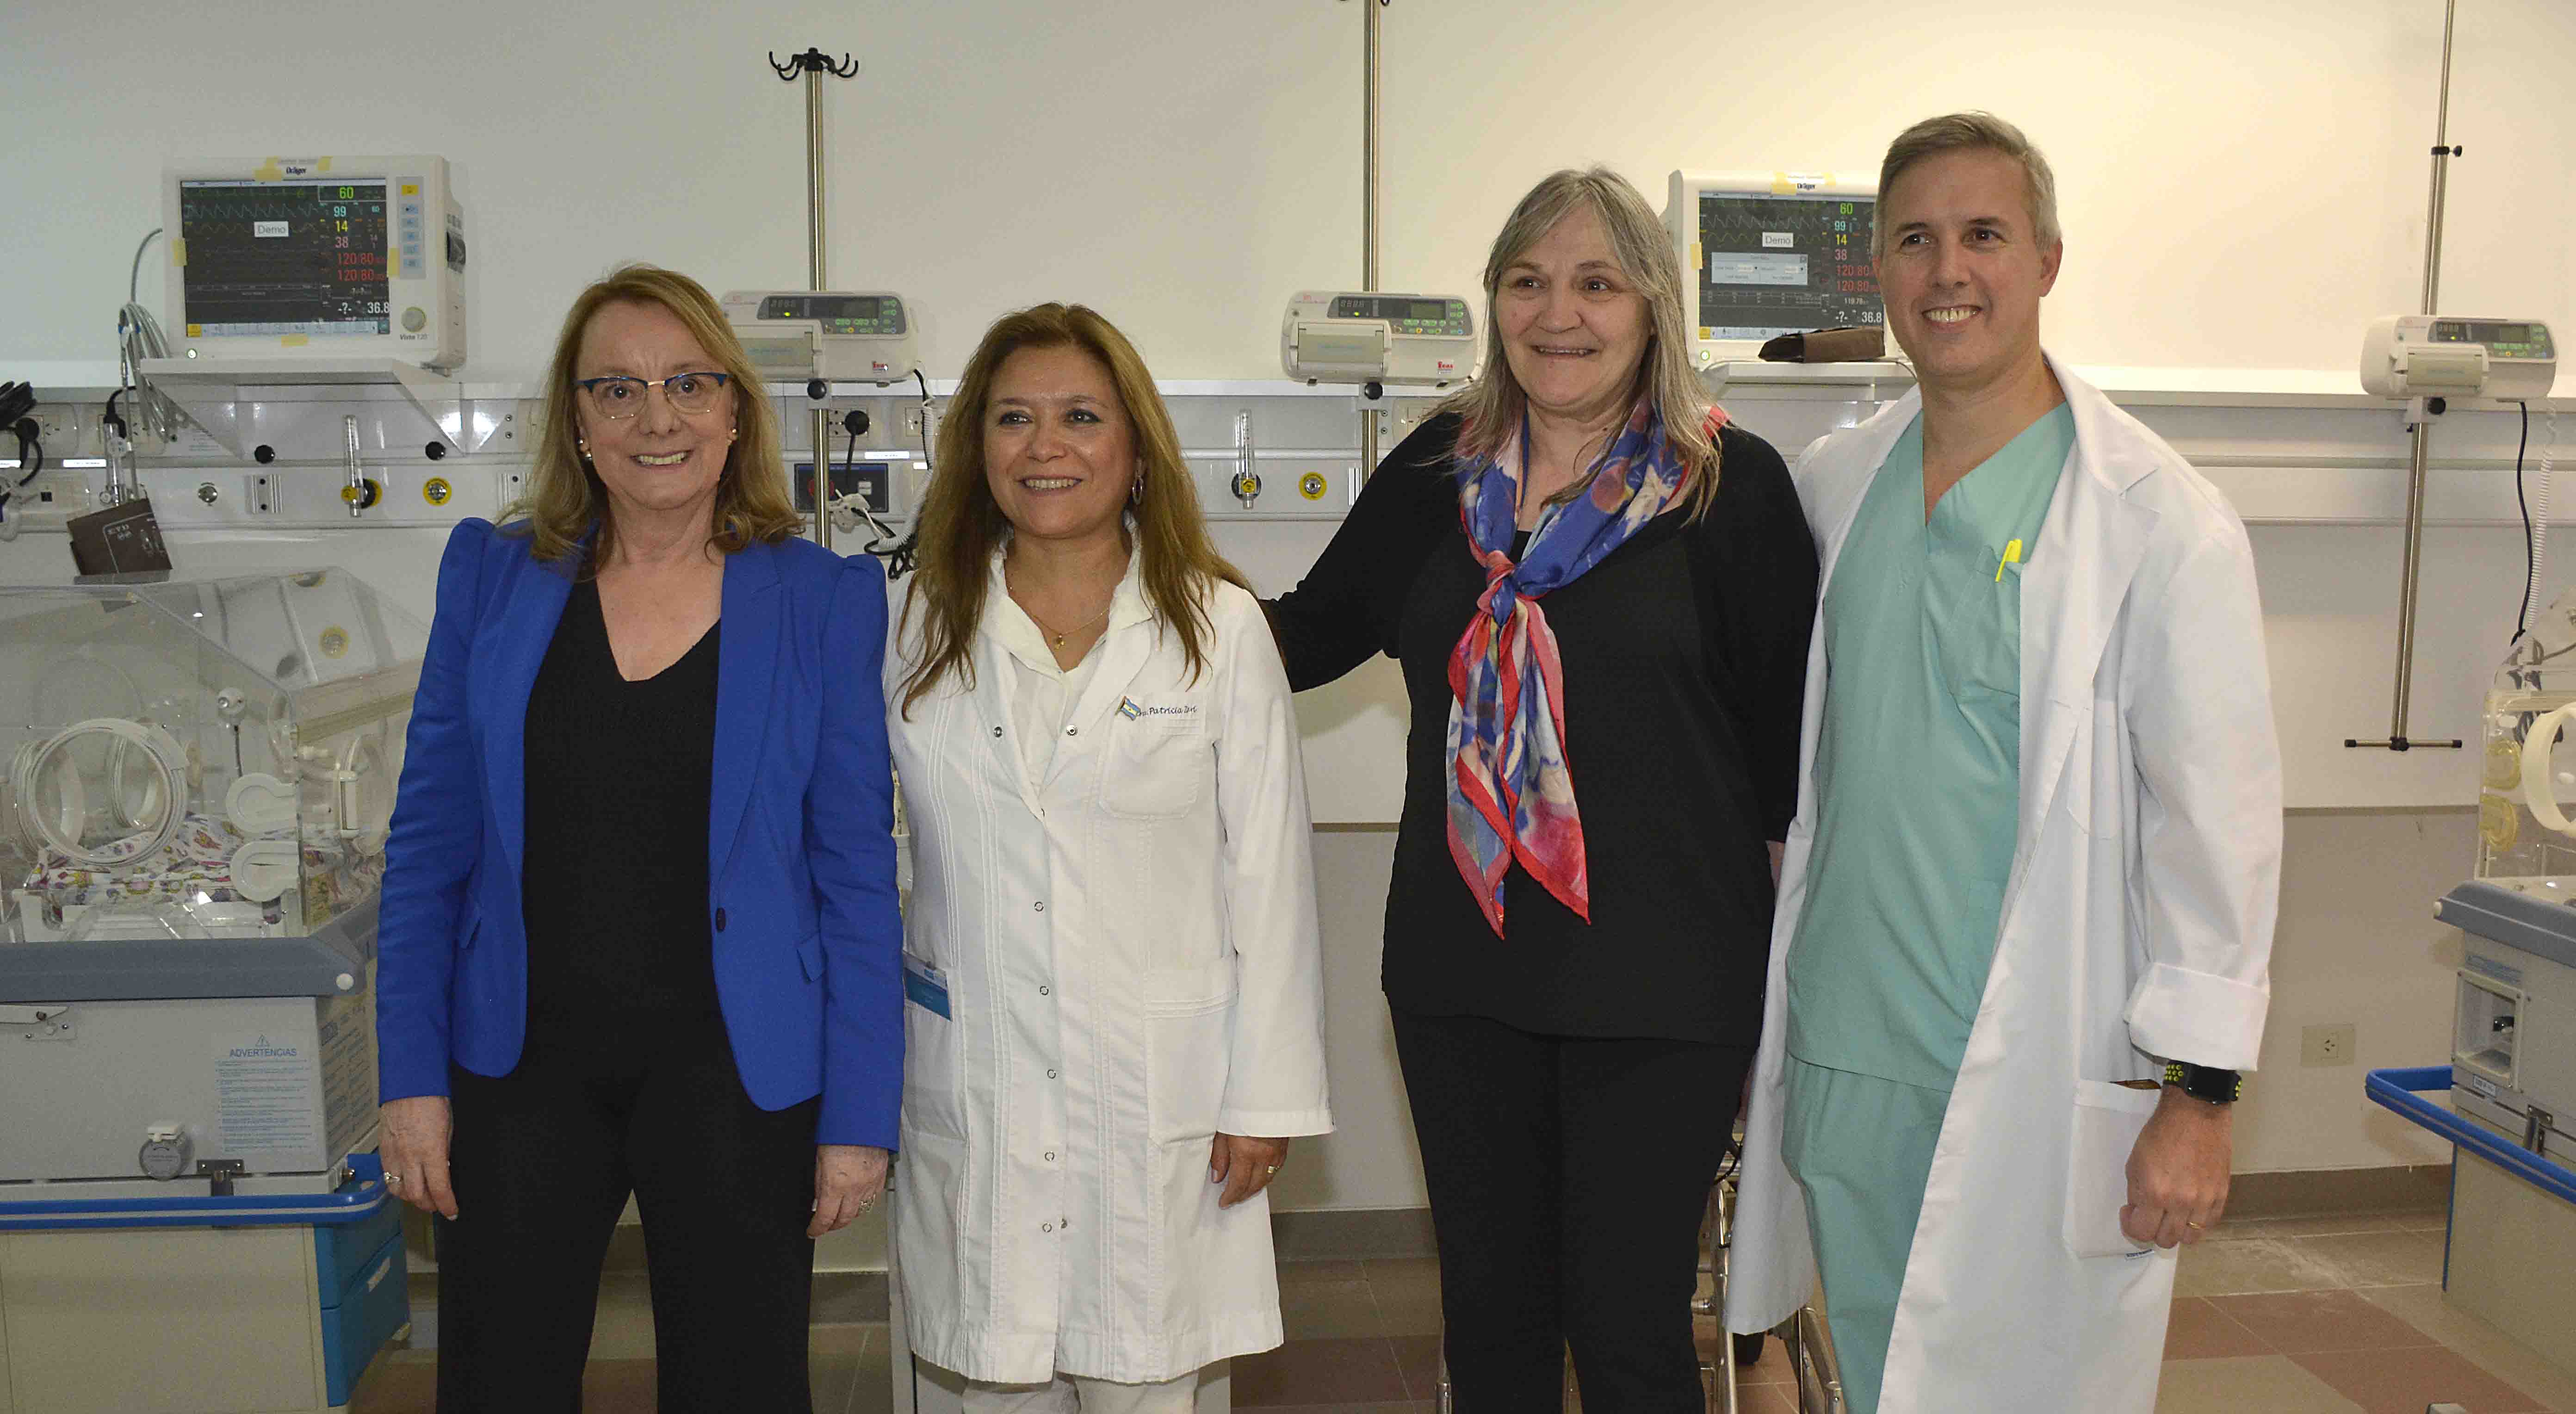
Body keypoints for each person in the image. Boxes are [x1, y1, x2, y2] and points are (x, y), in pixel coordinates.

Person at [1724, 113, 2282, 1414]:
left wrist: (2201, 1097)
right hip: (1848, 1046)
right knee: (1880, 1371)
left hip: (2037, 1053)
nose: (1949, 271)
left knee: (2024, 1386)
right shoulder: (1833, 487)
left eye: (1984, 234)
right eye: (1915, 240)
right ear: (1878, 271)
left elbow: (2220, 825)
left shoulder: (2161, 521)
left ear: (2046, 261)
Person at [1265, 168, 1817, 1409]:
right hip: (1464, 974)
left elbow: (1785, 765)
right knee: (1491, 1326)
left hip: (1666, 984)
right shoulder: (1436, 473)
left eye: (1596, 283)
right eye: (1528, 281)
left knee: (1627, 1331)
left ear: (1653, 306)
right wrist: (1117, 586)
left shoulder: (1730, 490)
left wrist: (1787, 994)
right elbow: (1305, 637)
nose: (1558, 314)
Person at [373, 264, 904, 1412]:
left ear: (734, 410)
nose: (656, 418)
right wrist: (409, 1078)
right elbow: (426, 851)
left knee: (741, 1388)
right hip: (517, 1070)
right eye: (616, 389)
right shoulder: (492, 578)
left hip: (737, 1073)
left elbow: (858, 873)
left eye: (688, 384)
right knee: (500, 1384)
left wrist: (861, 1119)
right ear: (577, 420)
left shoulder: (822, 599)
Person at [886, 303, 1331, 1412]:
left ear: (1135, 445)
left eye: (1081, 416)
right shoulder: (912, 624)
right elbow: (861, 858)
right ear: (976, 446)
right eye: (1013, 418)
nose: (1046, 446)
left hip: (1160, 1096)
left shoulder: (1219, 628)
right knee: (983, 1377)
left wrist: (1265, 1097)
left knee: (1151, 1378)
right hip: (978, 1083)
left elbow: (1271, 879)